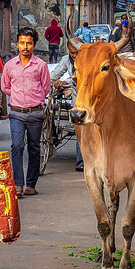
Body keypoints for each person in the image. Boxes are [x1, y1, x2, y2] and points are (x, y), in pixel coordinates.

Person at [1, 27, 51, 197]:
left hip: (35, 113)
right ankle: (18, 184)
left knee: (34, 148)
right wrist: (19, 98)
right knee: (17, 146)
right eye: (22, 43)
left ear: (34, 45)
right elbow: (6, 87)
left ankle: (31, 184)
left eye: (29, 43)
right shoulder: (10, 66)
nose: (25, 47)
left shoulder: (41, 66)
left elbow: (45, 88)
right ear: (17, 44)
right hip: (16, 113)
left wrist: (33, 99)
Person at [50, 41, 83, 172]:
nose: (74, 56)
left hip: (87, 93)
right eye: (72, 53)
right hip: (76, 95)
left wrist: (66, 81)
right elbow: (53, 75)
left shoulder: (88, 59)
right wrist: (54, 83)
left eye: (77, 53)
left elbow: (81, 77)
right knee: (79, 126)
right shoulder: (66, 60)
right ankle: (81, 161)